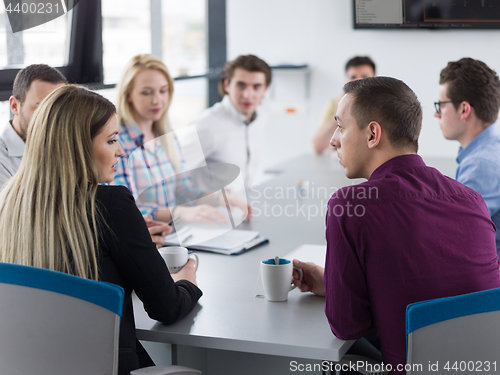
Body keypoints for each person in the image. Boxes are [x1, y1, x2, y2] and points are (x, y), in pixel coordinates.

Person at [293, 77, 500, 374]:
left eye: (341, 126)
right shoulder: (471, 199)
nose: (333, 139)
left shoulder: (351, 205)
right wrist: (332, 283)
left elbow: (347, 324)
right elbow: (433, 287)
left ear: (373, 134)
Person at [0, 85, 202, 375]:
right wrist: (186, 281)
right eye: (111, 141)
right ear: (77, 147)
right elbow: (166, 308)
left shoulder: (9, 204)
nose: (120, 151)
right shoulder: (112, 204)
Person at [0, 64, 170, 247]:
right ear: (15, 106)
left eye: (62, 111)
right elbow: (32, 232)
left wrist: (123, 230)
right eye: (43, 109)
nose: (52, 120)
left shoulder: (68, 155)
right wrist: (122, 239)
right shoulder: (8, 166)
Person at [113, 54, 249, 224]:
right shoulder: (117, 143)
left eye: (163, 91)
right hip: (143, 239)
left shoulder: (168, 138)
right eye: (146, 93)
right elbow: (123, 208)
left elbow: (184, 191)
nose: (157, 100)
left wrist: (217, 198)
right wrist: (179, 212)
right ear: (128, 95)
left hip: (174, 234)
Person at [178, 54, 271, 193]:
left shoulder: (261, 118)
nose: (247, 94)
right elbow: (173, 175)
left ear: (265, 89)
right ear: (227, 85)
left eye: (256, 87)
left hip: (242, 209)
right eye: (241, 85)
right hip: (209, 211)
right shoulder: (206, 126)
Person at [436, 58, 500, 256]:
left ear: (464, 109)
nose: (436, 114)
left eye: (441, 105)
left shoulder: (480, 164)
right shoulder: (488, 153)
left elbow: (452, 237)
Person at [312, 56, 376, 155]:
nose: (358, 81)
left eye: (364, 76)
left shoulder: (381, 106)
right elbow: (317, 147)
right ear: (345, 80)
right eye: (353, 77)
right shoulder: (334, 104)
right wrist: (338, 115)